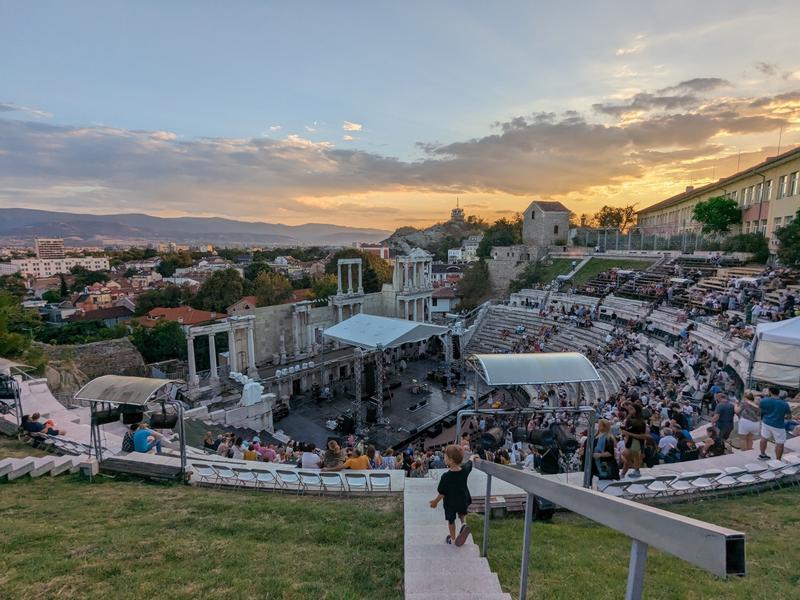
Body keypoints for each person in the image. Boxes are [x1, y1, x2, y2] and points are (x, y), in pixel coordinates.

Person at [429, 445, 475, 546]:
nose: (444, 458)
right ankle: (464, 524)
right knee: (462, 514)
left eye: (445, 457)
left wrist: (435, 502)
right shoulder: (464, 470)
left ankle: (453, 539)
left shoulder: (446, 477)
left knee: (451, 521)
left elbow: (442, 493)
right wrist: (472, 457)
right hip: (463, 499)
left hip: (450, 503)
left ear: (450, 460)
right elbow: (469, 463)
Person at [759, 387, 792, 460]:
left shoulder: (764, 401)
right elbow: (789, 416)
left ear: (770, 392)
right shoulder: (784, 404)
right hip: (778, 425)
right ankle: (778, 461)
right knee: (780, 443)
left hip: (766, 422)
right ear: (778, 393)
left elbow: (761, 411)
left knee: (764, 438)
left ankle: (762, 454)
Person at [589, 419, 619, 489]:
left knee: (605, 482)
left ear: (605, 427)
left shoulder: (609, 438)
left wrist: (599, 455)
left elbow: (610, 453)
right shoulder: (597, 436)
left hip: (605, 464)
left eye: (600, 425)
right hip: (596, 463)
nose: (598, 427)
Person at [620, 403, 646, 478]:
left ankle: (623, 474)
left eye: (631, 409)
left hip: (634, 442)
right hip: (635, 442)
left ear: (636, 411)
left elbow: (641, 435)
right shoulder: (638, 420)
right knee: (635, 458)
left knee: (626, 458)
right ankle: (636, 471)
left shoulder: (636, 422)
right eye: (629, 408)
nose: (629, 410)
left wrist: (626, 433)